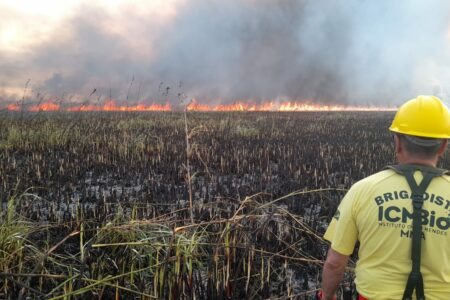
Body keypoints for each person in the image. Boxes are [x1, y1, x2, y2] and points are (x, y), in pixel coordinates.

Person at [319, 95, 450, 300]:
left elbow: (335, 262)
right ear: (443, 146)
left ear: (397, 142)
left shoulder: (363, 189)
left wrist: (326, 296)